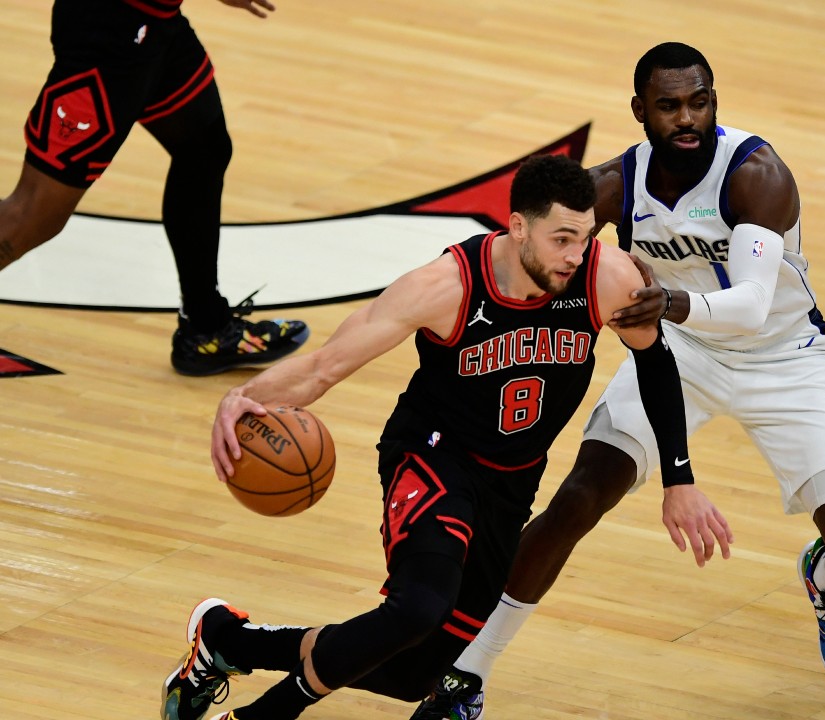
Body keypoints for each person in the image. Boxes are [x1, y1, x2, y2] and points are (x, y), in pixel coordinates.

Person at [158, 155, 728, 720]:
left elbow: (655, 366)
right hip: (433, 457)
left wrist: (678, 480)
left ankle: (229, 641)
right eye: (561, 240)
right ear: (518, 226)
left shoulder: (606, 278)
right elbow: (324, 367)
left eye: (582, 238)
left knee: (416, 673)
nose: (574, 256)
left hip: (511, 483)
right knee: (417, 609)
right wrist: (245, 397)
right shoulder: (444, 286)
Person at [414, 42, 825, 719]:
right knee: (578, 498)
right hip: (679, 355)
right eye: (669, 106)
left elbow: (753, 306)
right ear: (640, 111)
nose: (687, 117)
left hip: (785, 361)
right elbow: (533, 259)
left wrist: (667, 304)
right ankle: (465, 672)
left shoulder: (757, 174)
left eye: (700, 101)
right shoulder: (612, 185)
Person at [0, 0, 309, 375]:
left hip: (154, 22)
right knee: (34, 215)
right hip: (109, 35)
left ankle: (206, 328)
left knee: (203, 149)